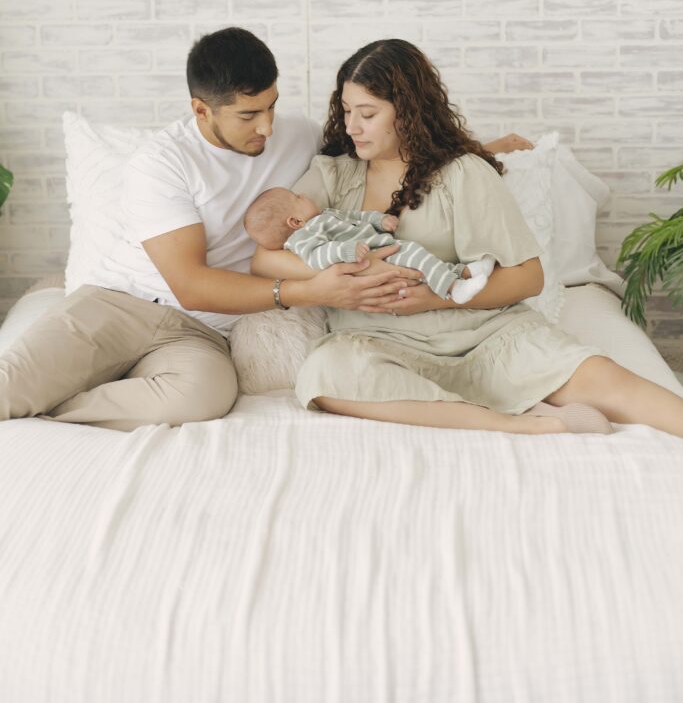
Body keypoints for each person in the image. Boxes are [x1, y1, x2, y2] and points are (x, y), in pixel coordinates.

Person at [252, 38, 683, 438]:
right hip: (379, 342)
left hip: (484, 336)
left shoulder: (463, 174)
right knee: (325, 372)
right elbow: (264, 259)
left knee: (606, 379)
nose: (352, 127)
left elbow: (528, 277)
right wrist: (337, 280)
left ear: (407, 111)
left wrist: (435, 297)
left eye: (367, 114)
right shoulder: (333, 173)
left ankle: (509, 403)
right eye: (346, 111)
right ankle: (524, 425)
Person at [0, 28, 424, 432]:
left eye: (271, 105)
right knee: (8, 388)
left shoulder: (302, 136)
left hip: (199, 331)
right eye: (248, 114)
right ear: (201, 109)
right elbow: (191, 285)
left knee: (203, 397)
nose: (267, 127)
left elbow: (387, 156)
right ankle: (31, 396)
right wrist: (310, 291)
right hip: (118, 305)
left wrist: (477, 153)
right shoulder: (163, 162)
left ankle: (50, 408)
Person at [244, 186, 495, 304]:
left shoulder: (324, 215)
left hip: (379, 242)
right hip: (373, 256)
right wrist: (346, 251)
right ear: (295, 220)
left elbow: (355, 216)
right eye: (298, 197)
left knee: (421, 264)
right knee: (416, 255)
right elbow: (317, 258)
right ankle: (453, 288)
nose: (306, 194)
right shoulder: (303, 239)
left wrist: (379, 219)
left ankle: (466, 272)